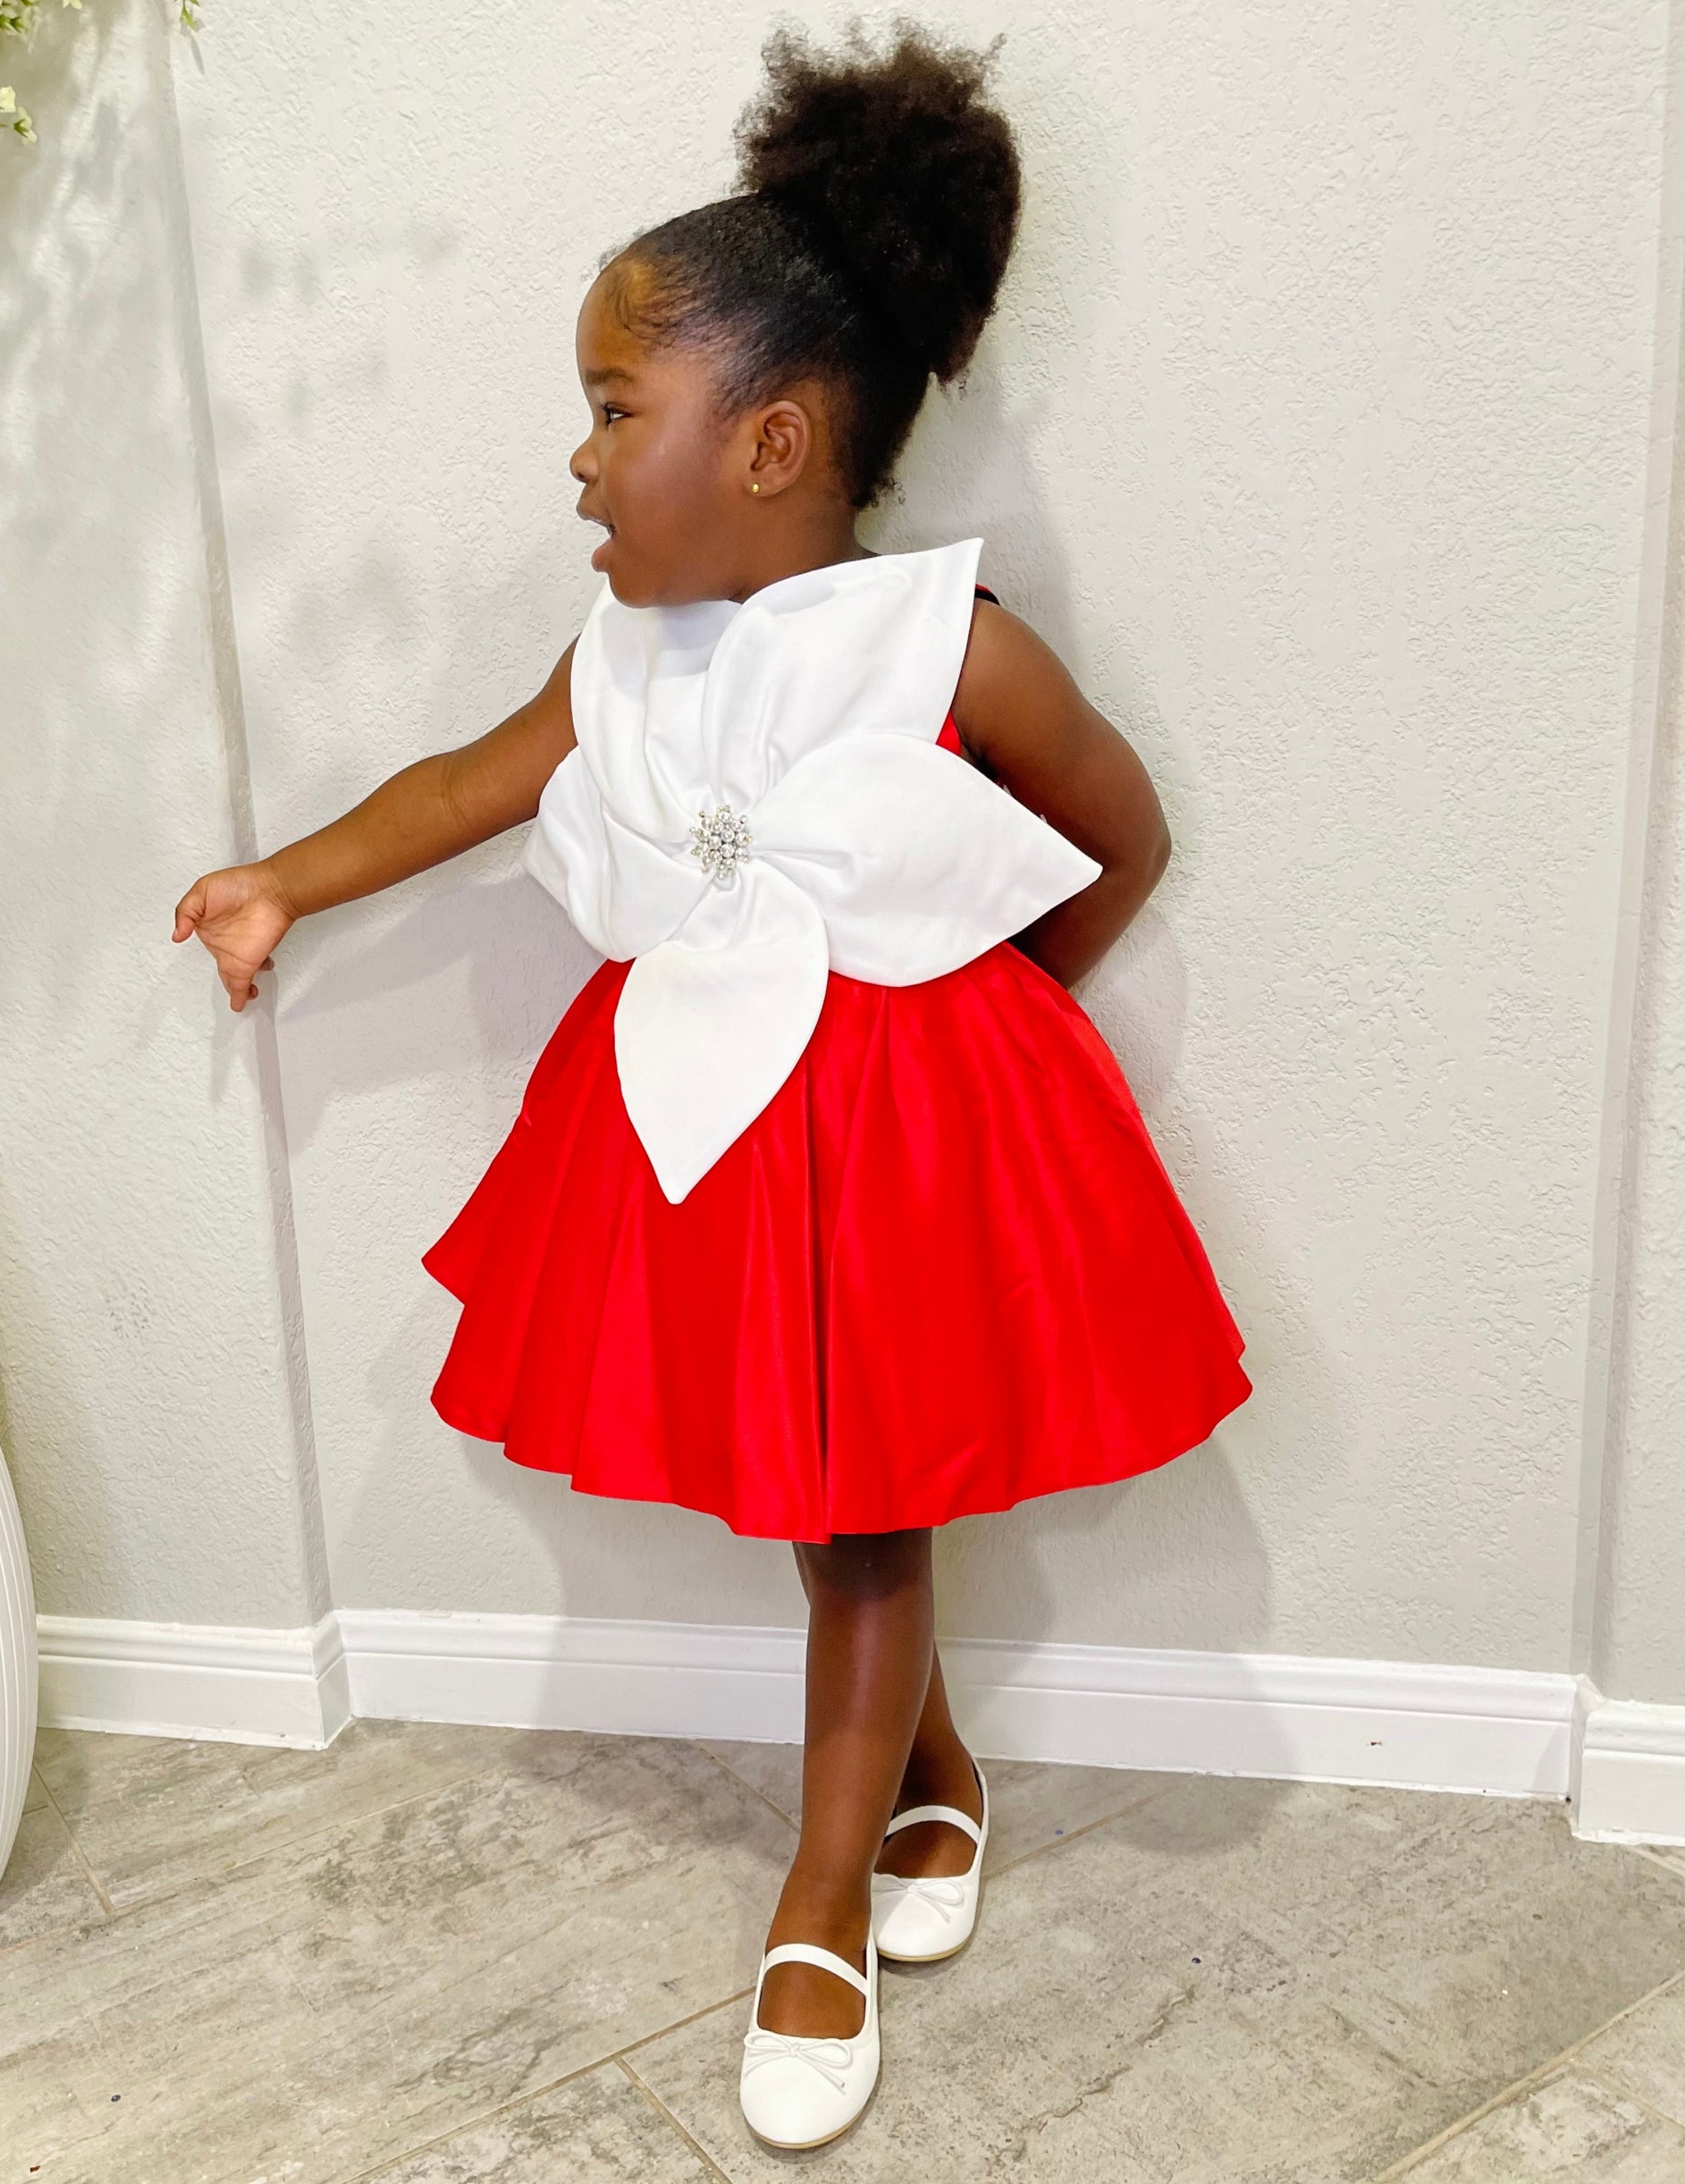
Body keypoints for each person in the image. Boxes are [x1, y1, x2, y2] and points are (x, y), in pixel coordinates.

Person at [173, 21, 1252, 2153]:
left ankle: (817, 1898)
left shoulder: (946, 644)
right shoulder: (618, 658)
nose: (576, 463)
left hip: (903, 1137)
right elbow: (468, 790)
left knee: (860, 1522)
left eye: (607, 410)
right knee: (833, 1494)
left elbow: (1115, 826)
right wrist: (273, 878)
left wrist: (993, 1006)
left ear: (769, 442)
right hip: (698, 1121)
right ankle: (931, 1783)